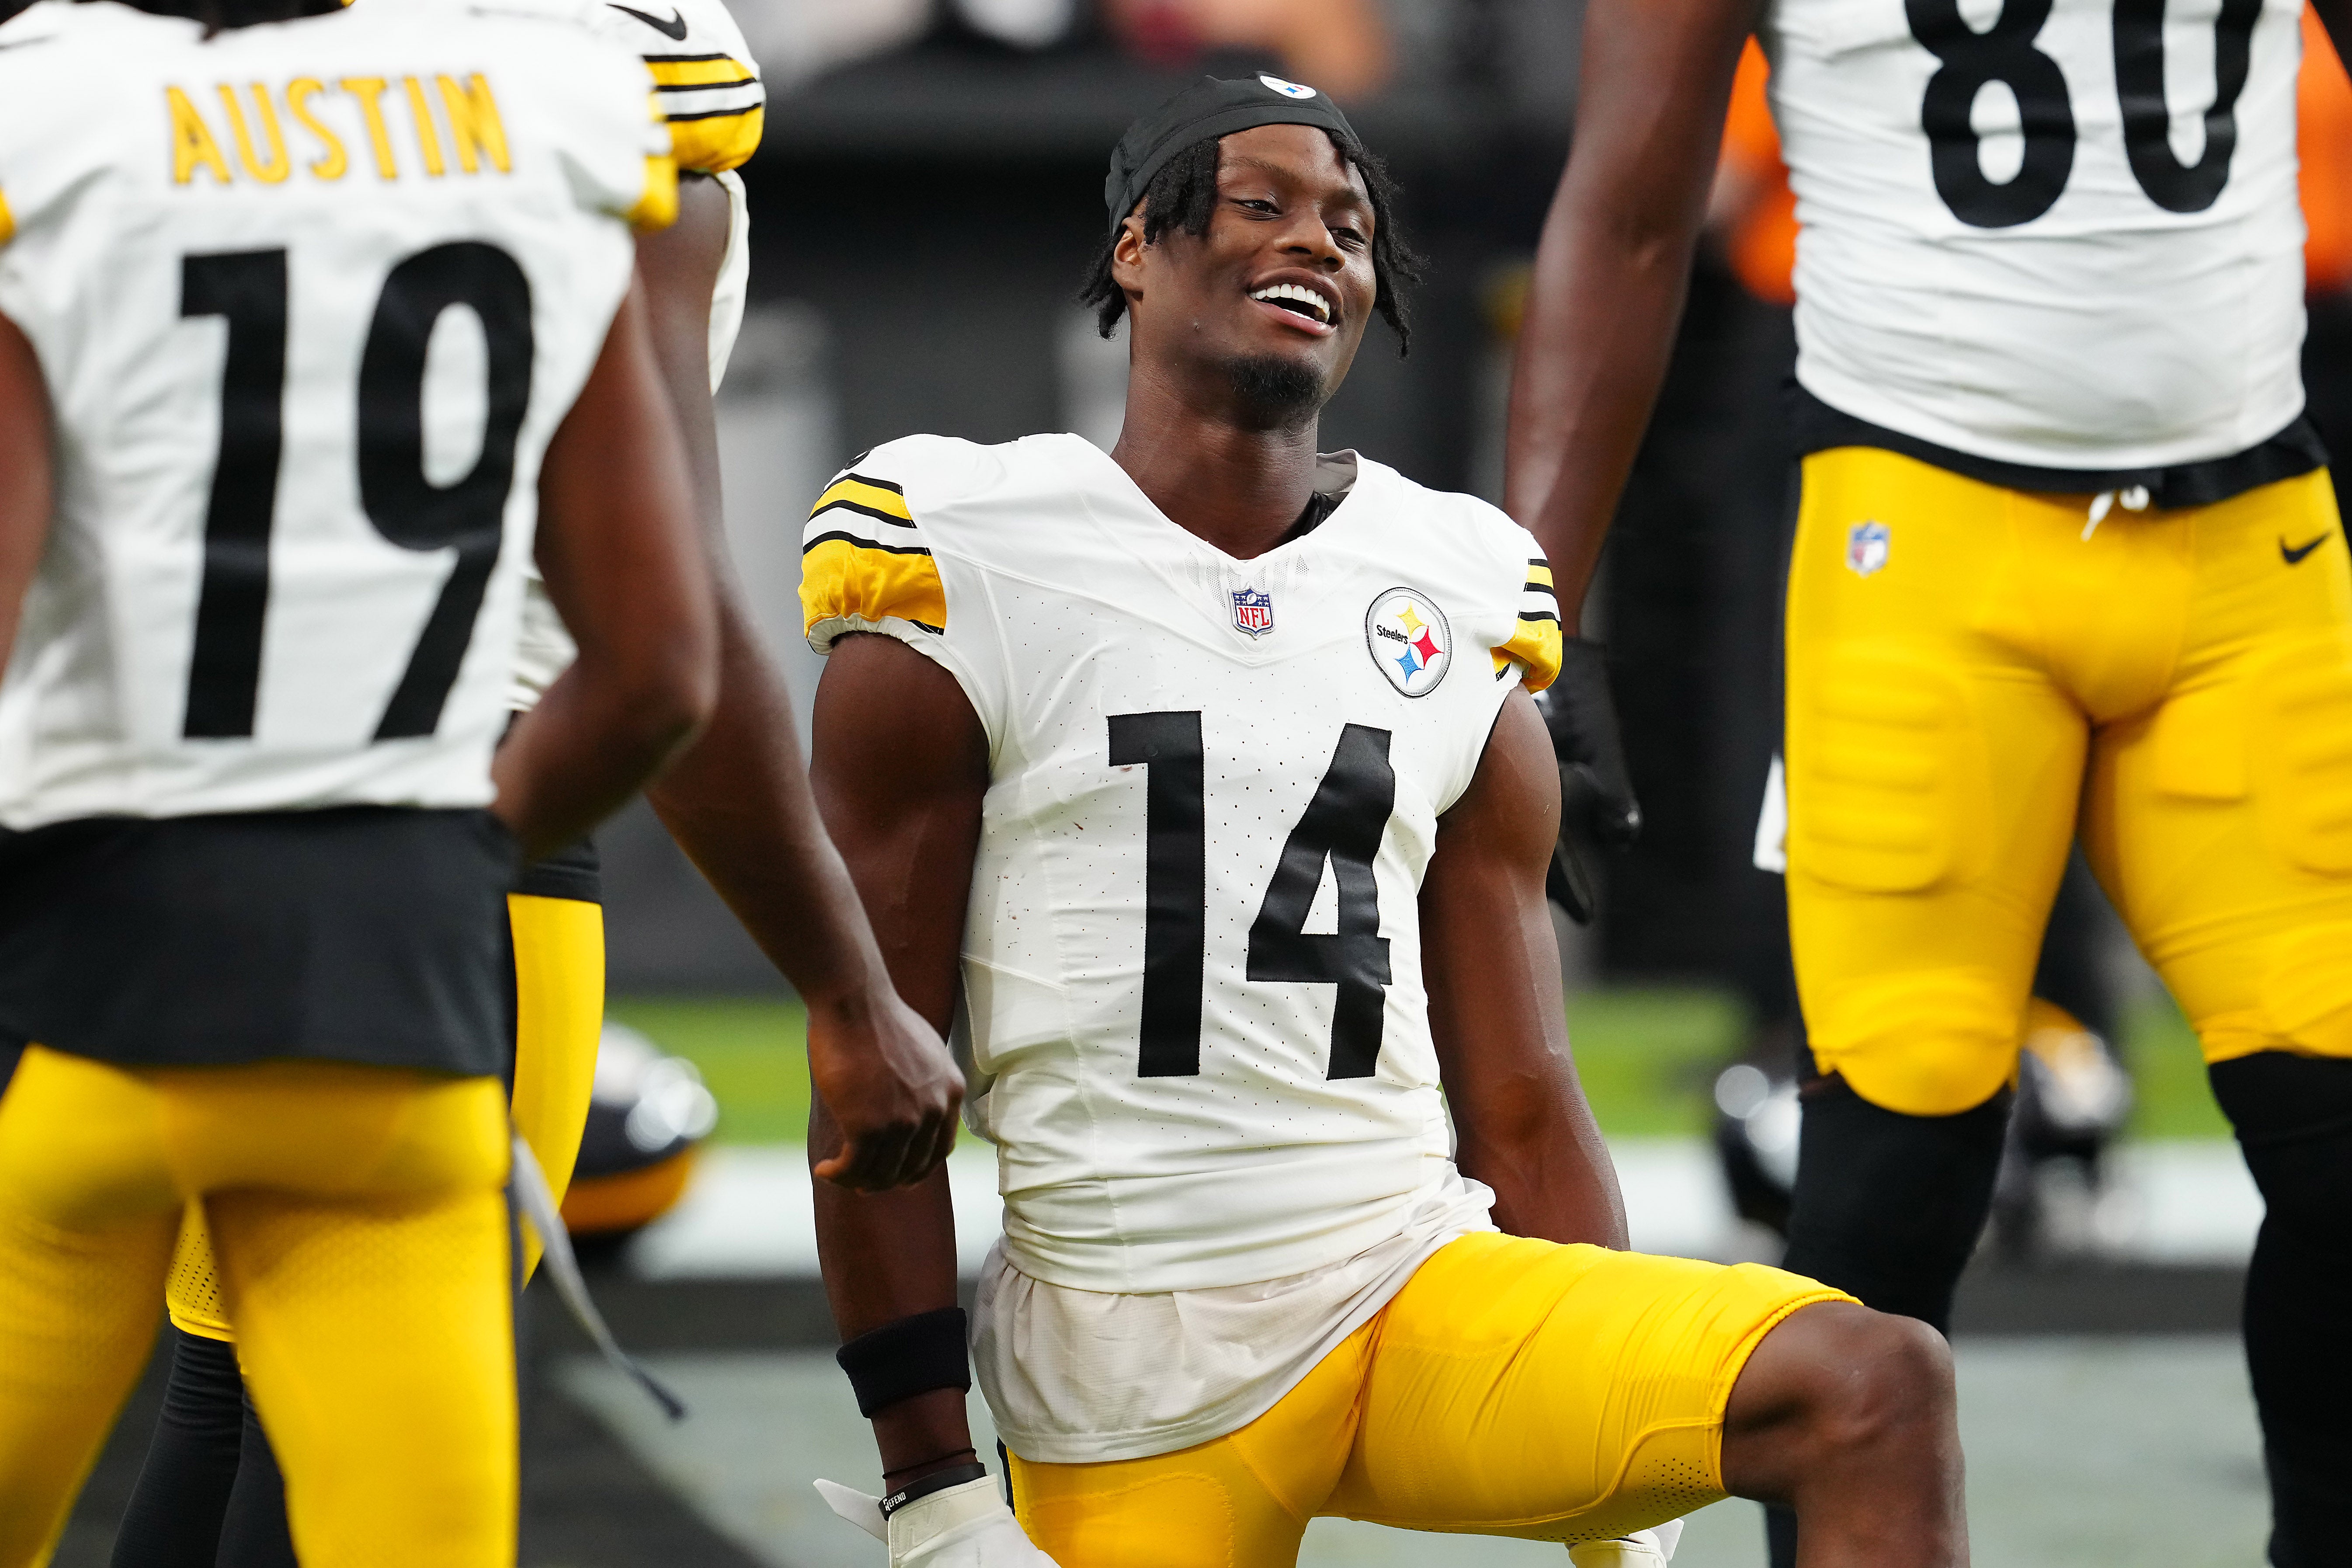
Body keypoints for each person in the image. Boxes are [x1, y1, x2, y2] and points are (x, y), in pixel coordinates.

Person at [801, 73, 1966, 1568]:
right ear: (1135, 251)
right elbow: (875, 1073)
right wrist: (934, 1479)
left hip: (1415, 1284)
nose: (1320, 243)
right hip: (1134, 1369)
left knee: (1874, 1383)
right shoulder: (965, 550)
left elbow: (1524, 1093)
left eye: (1351, 225)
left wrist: (1610, 1483)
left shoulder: (1455, 581)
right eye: (1263, 202)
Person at [86, 0, 967, 1559]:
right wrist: (846, 989)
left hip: (176, 819)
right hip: (458, 825)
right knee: (344, 1466)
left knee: (219, 1401)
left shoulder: (215, 63)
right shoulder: (617, 67)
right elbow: (665, 635)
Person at [1508, 1, 2352, 1561]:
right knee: (1887, 1183)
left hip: (2253, 539)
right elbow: (1630, 214)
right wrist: (1529, 608)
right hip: (1927, 542)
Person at [0, 0, 723, 1556]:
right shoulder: (540, 117)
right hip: (402, 1010)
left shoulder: (61, 114)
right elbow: (664, 663)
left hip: (102, 990)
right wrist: (452, 837)